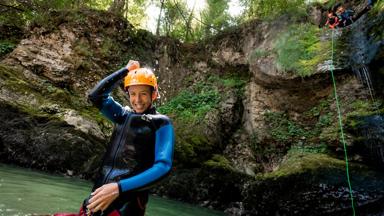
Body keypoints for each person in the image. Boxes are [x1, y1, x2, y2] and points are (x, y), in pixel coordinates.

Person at [84, 60, 175, 216]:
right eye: (133, 94)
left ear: (154, 94)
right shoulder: (122, 115)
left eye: (143, 94)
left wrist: (118, 188)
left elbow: (163, 167)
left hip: (127, 206)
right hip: (97, 199)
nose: (137, 100)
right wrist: (125, 71)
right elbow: (96, 96)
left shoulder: (161, 123)